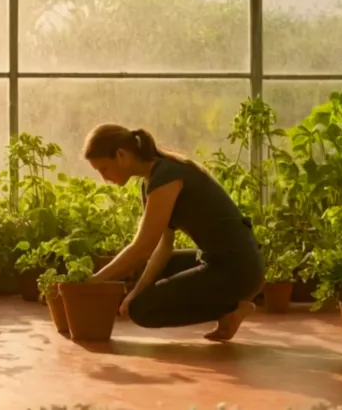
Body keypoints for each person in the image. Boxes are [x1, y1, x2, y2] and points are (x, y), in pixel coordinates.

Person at [85, 123, 264, 341]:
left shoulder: (167, 175)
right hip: (223, 262)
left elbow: (142, 247)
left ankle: (232, 308)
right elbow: (163, 247)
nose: (104, 178)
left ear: (121, 155)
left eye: (103, 169)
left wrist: (93, 282)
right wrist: (136, 292)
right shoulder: (153, 180)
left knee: (142, 311)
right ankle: (230, 307)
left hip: (238, 269)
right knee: (143, 285)